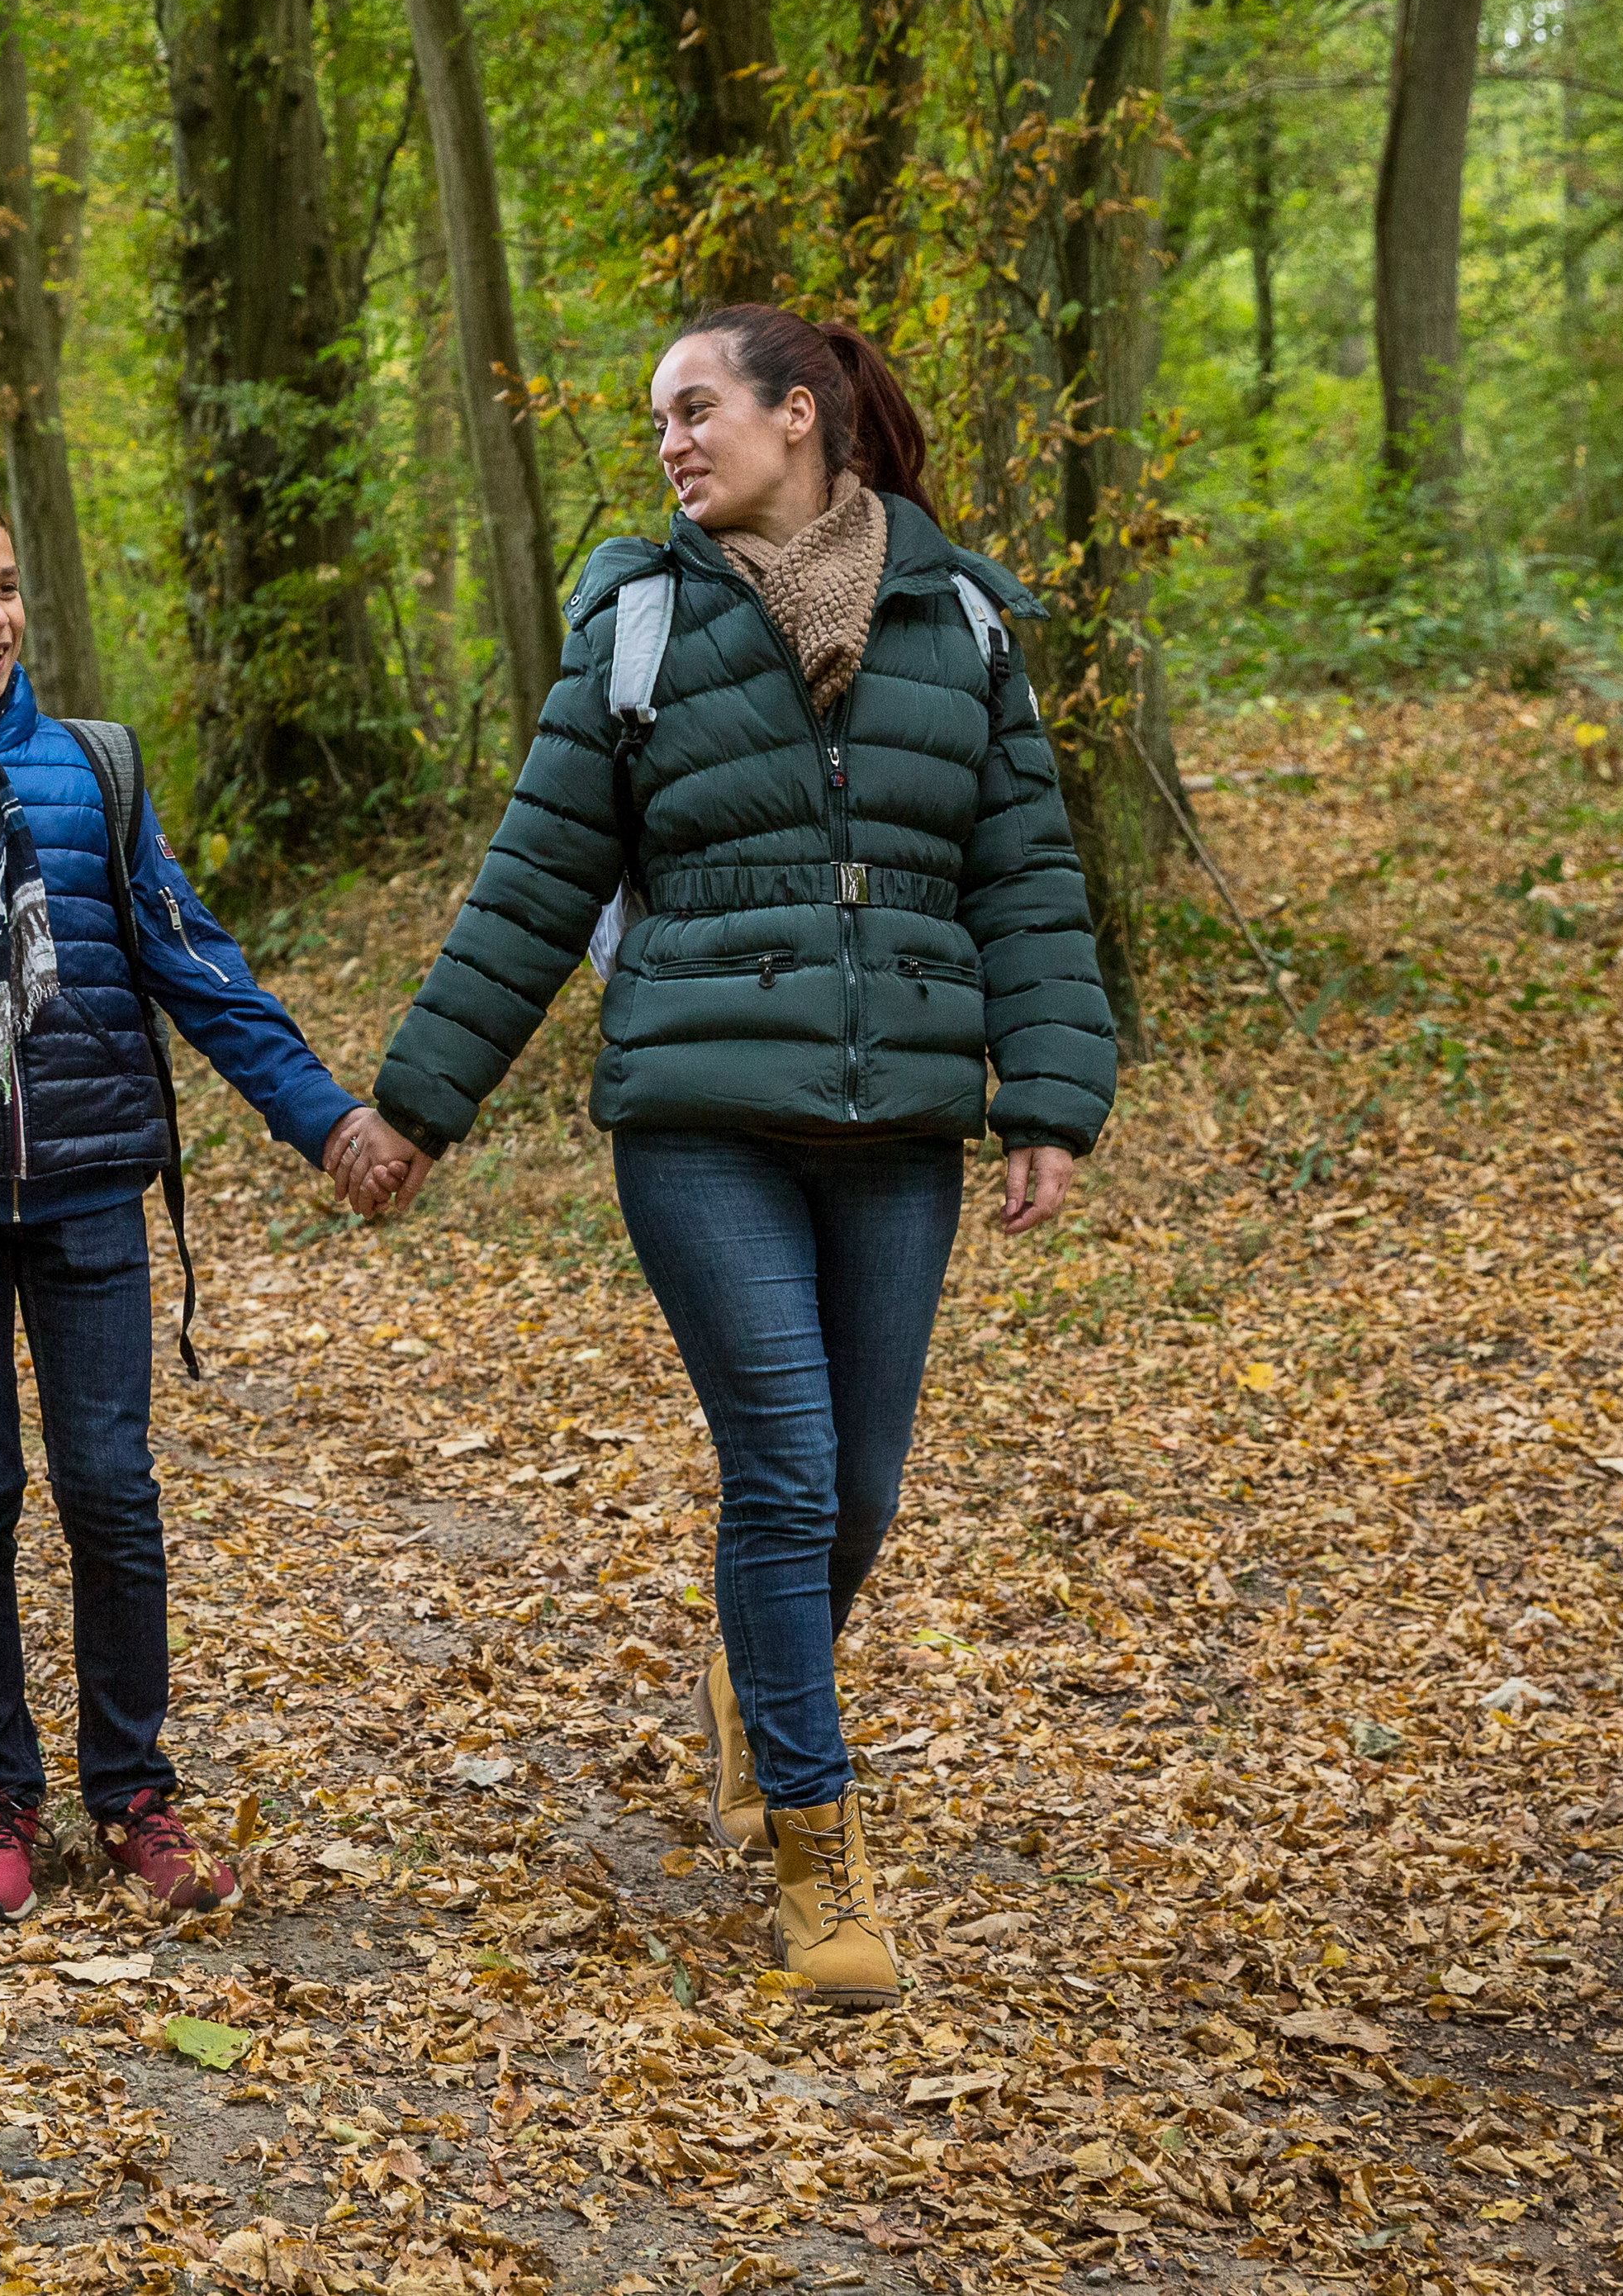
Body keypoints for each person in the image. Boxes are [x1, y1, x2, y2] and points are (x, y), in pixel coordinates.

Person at [352, 305, 1115, 2011]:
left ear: (795, 416)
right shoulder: (635, 626)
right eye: (655, 423)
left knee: (856, 1494)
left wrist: (1048, 1096)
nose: (671, 442)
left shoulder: (960, 623)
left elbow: (1027, 874)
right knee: (780, 1476)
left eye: (694, 410)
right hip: (697, 1115)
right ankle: (812, 1848)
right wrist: (414, 1108)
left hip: (899, 1119)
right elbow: (535, 876)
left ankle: (760, 1681)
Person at [0, 471, 416, 1921]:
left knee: (111, 1487)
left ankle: (133, 1789)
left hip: (96, 1181)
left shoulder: (94, 770)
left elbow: (196, 966)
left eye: (5, 585)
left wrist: (327, 1122)